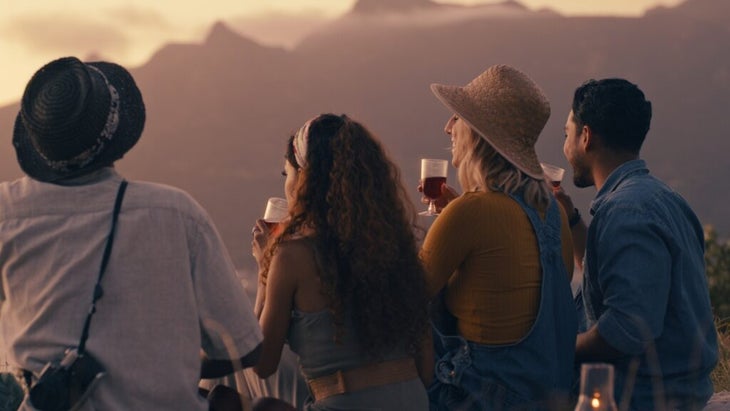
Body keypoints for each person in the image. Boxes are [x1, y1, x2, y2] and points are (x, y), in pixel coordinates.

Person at [0, 56, 262, 410]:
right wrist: (158, 365)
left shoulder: (8, 212)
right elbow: (246, 347)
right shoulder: (177, 214)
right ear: (114, 133)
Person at [420, 64, 577, 410]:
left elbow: (404, 299)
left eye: (457, 118)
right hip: (548, 398)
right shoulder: (553, 212)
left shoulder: (470, 213)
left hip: (484, 398)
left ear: (476, 134)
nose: (448, 127)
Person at [251, 113, 432, 410]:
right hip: (413, 400)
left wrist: (264, 272)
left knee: (231, 401)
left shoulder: (292, 255)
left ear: (304, 180)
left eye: (288, 174)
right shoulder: (397, 249)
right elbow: (426, 369)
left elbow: (261, 364)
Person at [557, 78, 718, 410]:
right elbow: (611, 276)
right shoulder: (660, 197)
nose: (565, 146)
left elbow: (627, 330)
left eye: (566, 134)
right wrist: (571, 217)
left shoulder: (626, 212)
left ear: (586, 137)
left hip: (644, 399)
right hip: (681, 392)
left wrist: (560, 347)